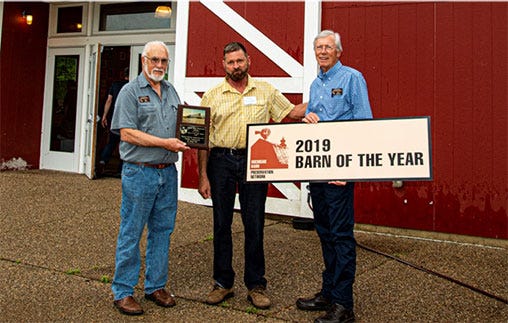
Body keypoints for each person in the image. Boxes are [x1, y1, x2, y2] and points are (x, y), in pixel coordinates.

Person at [197, 42, 306, 309]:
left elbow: (291, 112)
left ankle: (256, 285)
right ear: (223, 64)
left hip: (255, 160)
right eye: (231, 62)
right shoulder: (211, 95)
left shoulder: (265, 91)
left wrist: (324, 102)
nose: (236, 66)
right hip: (221, 160)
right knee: (221, 224)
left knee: (254, 224)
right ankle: (223, 283)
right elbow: (202, 140)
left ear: (249, 61)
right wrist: (203, 176)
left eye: (240, 61)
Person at [296, 30, 373, 323]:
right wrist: (308, 119)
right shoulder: (316, 85)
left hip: (339, 172)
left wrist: (349, 169)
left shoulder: (352, 78)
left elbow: (364, 124)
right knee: (325, 233)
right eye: (319, 47)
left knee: (341, 236)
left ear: (339, 51)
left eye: (328, 47)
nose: (323, 51)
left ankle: (343, 305)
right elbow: (316, 124)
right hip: (318, 172)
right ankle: (328, 293)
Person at [110, 40, 190, 315]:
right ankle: (123, 291)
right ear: (144, 61)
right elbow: (127, 133)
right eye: (154, 60)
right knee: (131, 232)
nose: (159, 66)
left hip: (167, 173)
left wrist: (193, 126)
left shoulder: (171, 91)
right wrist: (164, 143)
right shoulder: (130, 92)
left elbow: (182, 123)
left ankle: (155, 286)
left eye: (163, 61)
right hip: (139, 172)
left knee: (162, 232)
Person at [97, 67, 129, 177]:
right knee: (125, 144)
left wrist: (104, 116)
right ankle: (121, 169)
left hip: (114, 119)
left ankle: (103, 161)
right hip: (127, 120)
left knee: (111, 142)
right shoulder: (133, 86)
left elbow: (109, 100)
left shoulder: (115, 85)